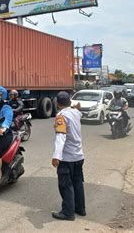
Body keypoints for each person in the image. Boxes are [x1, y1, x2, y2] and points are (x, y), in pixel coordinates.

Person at [51, 91, 86, 221]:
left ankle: (68, 212)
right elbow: (78, 108)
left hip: (67, 157)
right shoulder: (76, 113)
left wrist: (56, 156)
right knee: (78, 183)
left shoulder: (61, 116)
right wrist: (75, 106)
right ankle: (80, 208)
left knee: (65, 185)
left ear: (57, 103)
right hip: (78, 155)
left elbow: (61, 136)